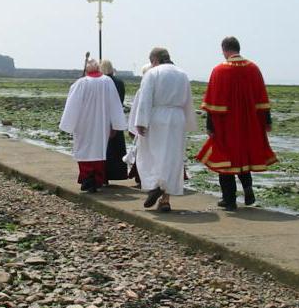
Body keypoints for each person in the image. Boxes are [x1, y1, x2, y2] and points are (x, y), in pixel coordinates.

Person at [196, 36, 277, 211]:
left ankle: (229, 200)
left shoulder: (219, 70)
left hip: (226, 124)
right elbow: (262, 98)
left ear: (224, 49)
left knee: (225, 160)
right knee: (244, 156)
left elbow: (212, 102)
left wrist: (210, 126)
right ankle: (248, 189)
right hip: (249, 123)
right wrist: (267, 121)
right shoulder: (253, 69)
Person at [133, 48, 197, 211]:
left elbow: (145, 98)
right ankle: (165, 199)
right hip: (177, 117)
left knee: (154, 154)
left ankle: (156, 186)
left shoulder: (153, 73)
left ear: (154, 60)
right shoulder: (182, 74)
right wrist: (188, 123)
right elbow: (188, 101)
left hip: (157, 116)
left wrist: (140, 121)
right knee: (172, 157)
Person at [60, 58, 127, 192]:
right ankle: (96, 179)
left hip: (83, 123)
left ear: (86, 69)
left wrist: (68, 124)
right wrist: (116, 124)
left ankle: (87, 177)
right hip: (102, 123)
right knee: (99, 150)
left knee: (84, 150)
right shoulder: (107, 82)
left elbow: (72, 106)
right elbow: (115, 104)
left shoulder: (80, 83)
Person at [100, 60, 128, 183]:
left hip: (103, 117)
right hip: (116, 116)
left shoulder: (101, 82)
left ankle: (103, 175)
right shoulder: (119, 82)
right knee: (116, 149)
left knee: (104, 148)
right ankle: (117, 173)